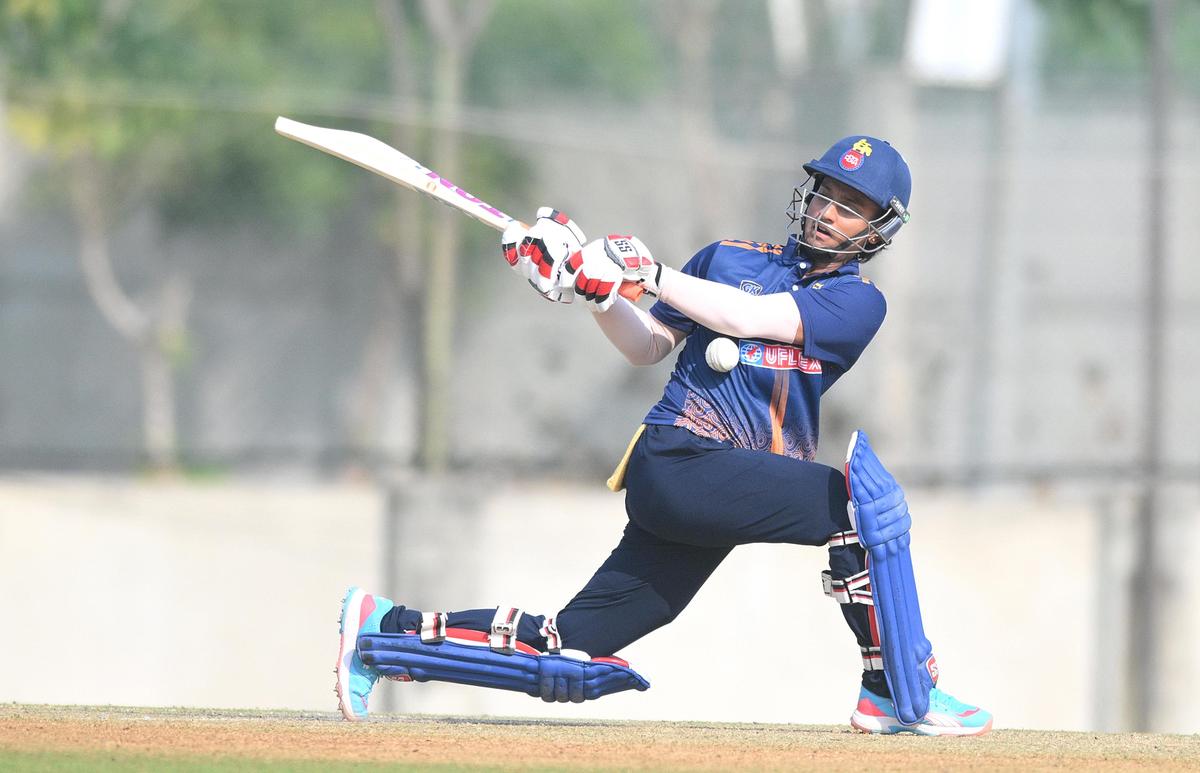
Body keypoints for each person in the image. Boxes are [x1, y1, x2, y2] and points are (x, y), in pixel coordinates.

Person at [335, 136, 992, 735]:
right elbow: (647, 344)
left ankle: (382, 633)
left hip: (720, 492)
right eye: (826, 192)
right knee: (856, 505)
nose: (827, 211)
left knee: (570, 650)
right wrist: (594, 292)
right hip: (678, 461)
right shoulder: (727, 258)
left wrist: (644, 273)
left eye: (851, 206)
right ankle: (893, 690)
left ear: (877, 229)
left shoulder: (858, 302)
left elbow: (753, 317)